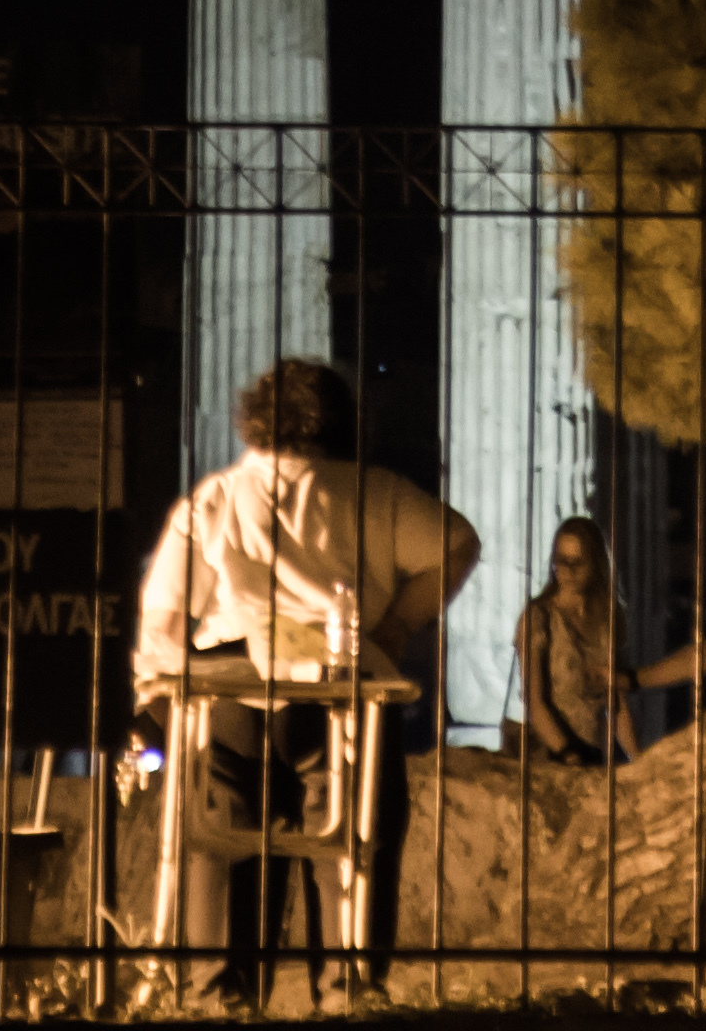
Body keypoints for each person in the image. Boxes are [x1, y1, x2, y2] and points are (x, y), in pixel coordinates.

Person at [134, 353, 479, 1006]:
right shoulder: (375, 493)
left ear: (255, 421)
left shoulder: (216, 498)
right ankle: (345, 990)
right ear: (343, 423)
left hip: (230, 691)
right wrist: (398, 626)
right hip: (344, 687)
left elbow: (167, 619)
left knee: (221, 845)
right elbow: (458, 542)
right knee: (350, 846)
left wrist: (161, 703)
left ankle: (218, 995)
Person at [514, 516, 627, 765]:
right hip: (552, 756)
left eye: (577, 562)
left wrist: (639, 759)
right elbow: (535, 701)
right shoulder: (538, 618)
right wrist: (568, 753)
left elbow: (617, 703)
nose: (568, 571)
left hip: (595, 756)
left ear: (595, 564)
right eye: (561, 561)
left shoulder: (605, 619)